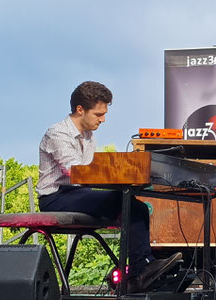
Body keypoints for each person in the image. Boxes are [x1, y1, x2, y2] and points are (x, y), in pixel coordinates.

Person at [37, 81, 181, 293]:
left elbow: (88, 174)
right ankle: (141, 272)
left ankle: (143, 268)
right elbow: (75, 171)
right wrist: (120, 173)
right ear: (80, 110)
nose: (103, 119)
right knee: (121, 201)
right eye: (98, 114)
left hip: (78, 192)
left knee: (137, 207)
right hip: (55, 198)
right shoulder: (57, 133)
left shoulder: (89, 137)